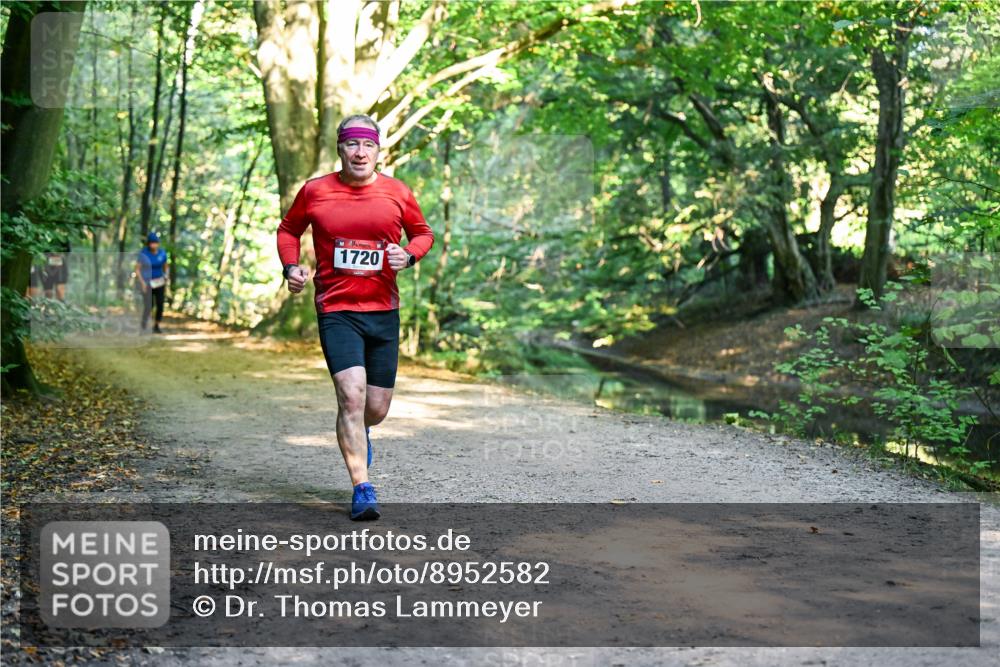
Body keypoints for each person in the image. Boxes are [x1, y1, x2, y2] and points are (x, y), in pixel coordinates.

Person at [277, 114, 434, 520]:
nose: (360, 152)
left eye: (368, 145)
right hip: (337, 308)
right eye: (352, 144)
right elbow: (288, 230)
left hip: (383, 310)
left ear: (378, 150)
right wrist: (291, 267)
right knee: (351, 395)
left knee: (375, 408)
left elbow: (423, 233)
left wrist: (410, 254)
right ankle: (362, 487)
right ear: (340, 149)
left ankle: (360, 430)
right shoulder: (315, 191)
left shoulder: (397, 192)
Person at [136, 232, 169, 333]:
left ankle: (156, 325)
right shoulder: (143, 254)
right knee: (149, 306)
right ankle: (143, 324)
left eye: (155, 243)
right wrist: (142, 283)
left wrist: (167, 275)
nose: (153, 245)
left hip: (159, 282)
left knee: (160, 304)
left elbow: (166, 266)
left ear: (158, 243)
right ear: (148, 244)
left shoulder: (162, 253)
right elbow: (137, 270)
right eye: (151, 243)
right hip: (147, 283)